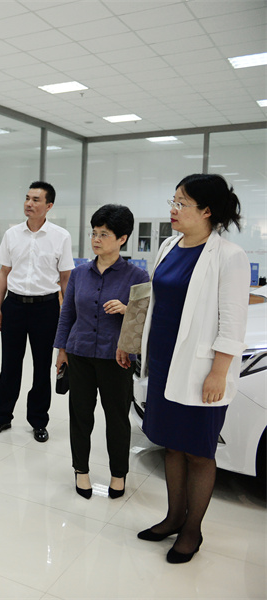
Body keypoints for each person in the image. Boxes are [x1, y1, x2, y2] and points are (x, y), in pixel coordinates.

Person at [119, 174, 248, 564]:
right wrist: (131, 343)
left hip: (200, 369)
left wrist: (218, 373)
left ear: (206, 211)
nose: (173, 210)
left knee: (198, 452)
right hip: (162, 363)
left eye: (181, 203)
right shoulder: (168, 246)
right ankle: (174, 517)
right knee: (170, 445)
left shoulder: (229, 256)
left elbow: (233, 323)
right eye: (173, 201)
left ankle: (192, 530)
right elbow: (151, 302)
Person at [54, 205, 149, 500]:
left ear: (122, 239)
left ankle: (118, 475)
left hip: (117, 358)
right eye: (94, 233)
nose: (96, 239)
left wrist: (127, 309)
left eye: (104, 234)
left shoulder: (138, 275)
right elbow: (67, 314)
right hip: (79, 353)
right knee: (80, 416)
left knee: (117, 419)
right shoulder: (79, 274)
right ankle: (80, 471)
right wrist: (61, 350)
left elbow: (146, 319)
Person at [0, 181, 73, 443]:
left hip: (46, 308)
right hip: (14, 305)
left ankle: (38, 420)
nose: (29, 203)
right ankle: (2, 416)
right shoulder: (12, 234)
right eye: (27, 198)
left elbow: (66, 279)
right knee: (10, 364)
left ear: (49, 205)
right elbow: (4, 273)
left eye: (36, 199)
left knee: (41, 366)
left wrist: (68, 315)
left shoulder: (61, 236)